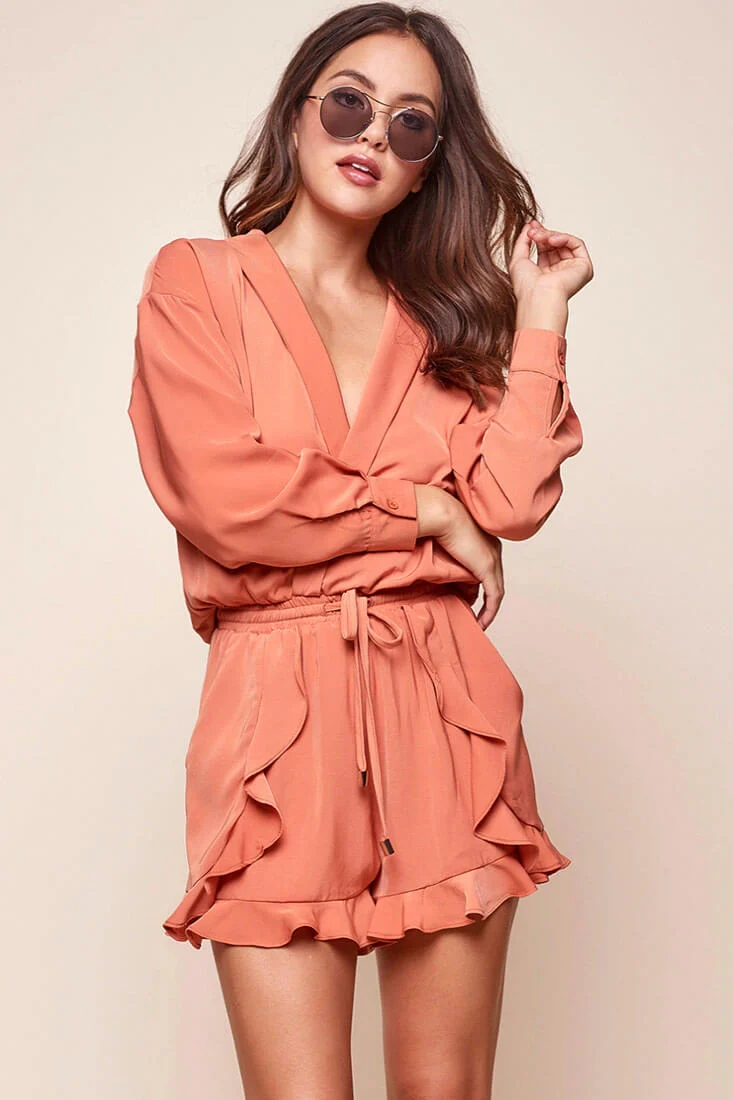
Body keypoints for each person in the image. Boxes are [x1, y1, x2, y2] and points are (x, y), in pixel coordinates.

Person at [127, 3, 593, 1096]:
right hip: (273, 736)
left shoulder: (444, 322)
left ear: (429, 166)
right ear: (297, 115)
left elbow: (508, 500)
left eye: (411, 122)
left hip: (446, 719)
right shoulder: (197, 282)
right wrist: (425, 513)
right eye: (349, 102)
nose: (374, 133)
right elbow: (227, 499)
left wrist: (539, 312)